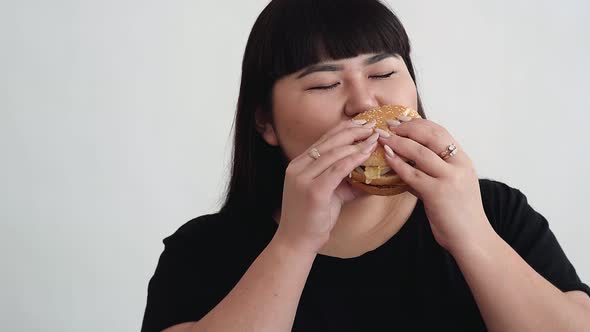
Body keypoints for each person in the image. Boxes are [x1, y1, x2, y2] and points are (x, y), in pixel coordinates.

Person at [141, 0, 590, 331]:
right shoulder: (202, 251)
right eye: (324, 84)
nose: (363, 103)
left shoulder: (494, 210)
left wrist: (471, 235)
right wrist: (295, 243)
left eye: (382, 74)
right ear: (266, 124)